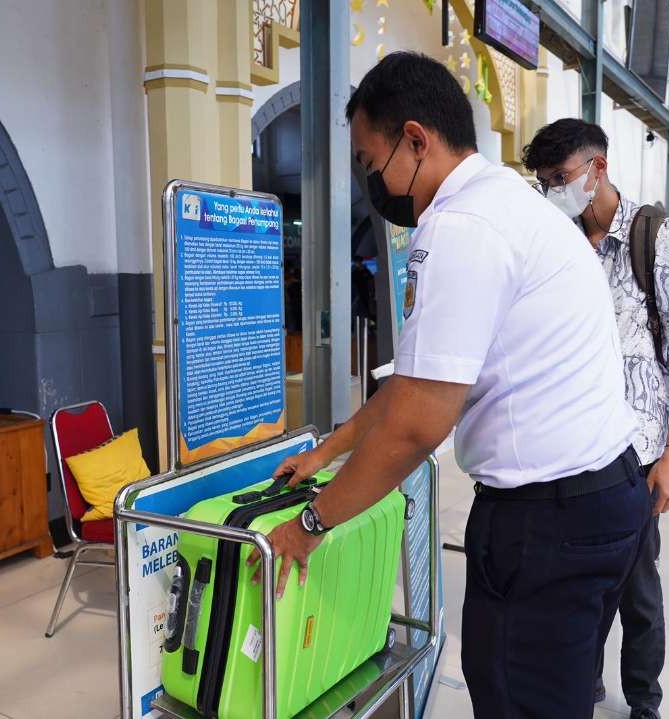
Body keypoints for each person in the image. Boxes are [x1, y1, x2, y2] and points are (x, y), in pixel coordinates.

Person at [250, 52, 646, 718]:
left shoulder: (460, 226)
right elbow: (414, 384)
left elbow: (415, 424)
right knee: (556, 690)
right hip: (604, 497)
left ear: (415, 140)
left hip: (547, 521)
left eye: (367, 159)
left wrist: (310, 524)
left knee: (516, 694)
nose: (369, 179)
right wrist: (329, 450)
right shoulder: (514, 203)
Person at [523, 118, 669, 719]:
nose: (555, 190)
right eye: (545, 182)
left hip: (636, 456)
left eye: (561, 177)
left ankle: (644, 701)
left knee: (637, 589)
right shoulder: (557, 240)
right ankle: (584, 683)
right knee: (575, 583)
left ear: (597, 168)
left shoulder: (663, 240)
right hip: (569, 450)